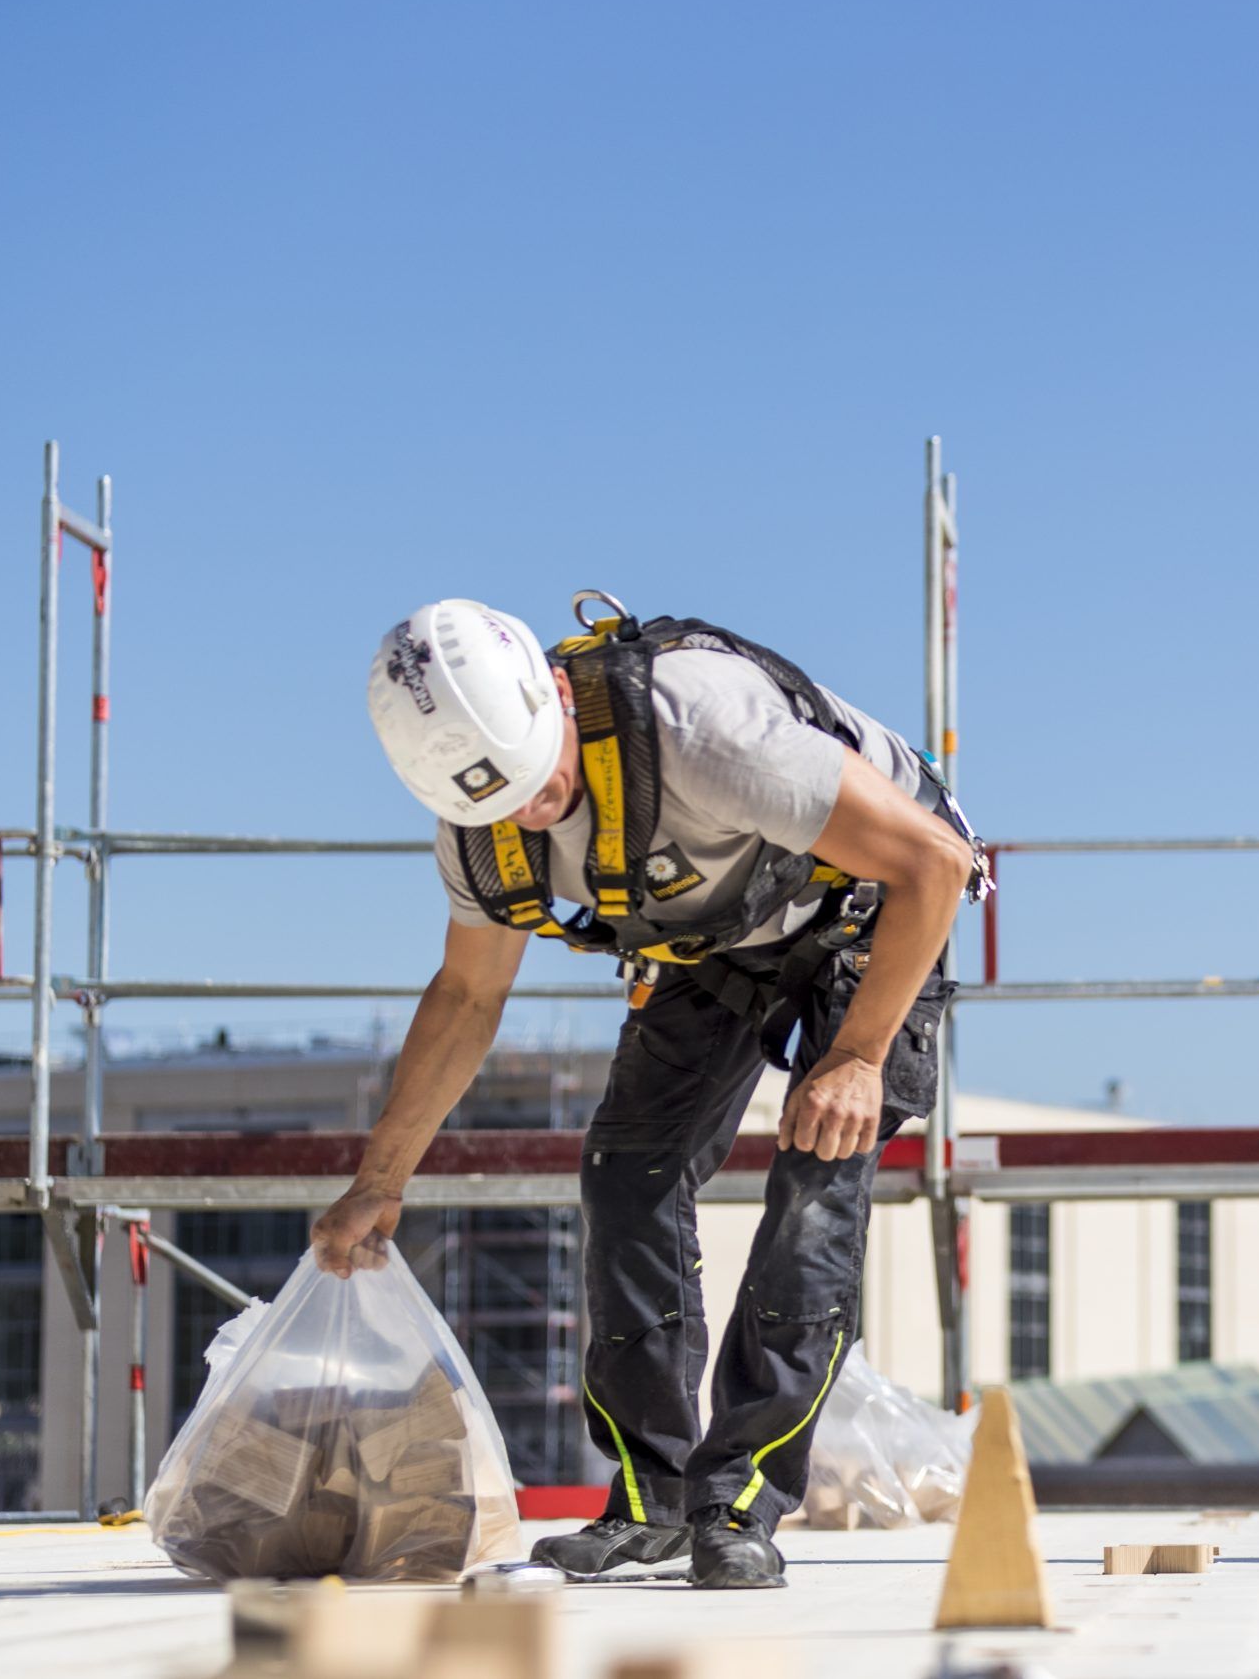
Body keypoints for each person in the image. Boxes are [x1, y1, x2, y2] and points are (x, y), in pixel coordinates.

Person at [316, 595, 981, 1588]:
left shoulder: (697, 727)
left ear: (551, 701)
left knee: (817, 1178)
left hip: (871, 912)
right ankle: (653, 1502)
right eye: (493, 803)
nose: (526, 812)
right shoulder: (478, 819)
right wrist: (378, 1180)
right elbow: (466, 995)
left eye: (536, 782)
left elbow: (935, 860)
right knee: (626, 1171)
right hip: (723, 935)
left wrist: (855, 1058)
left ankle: (741, 1502)